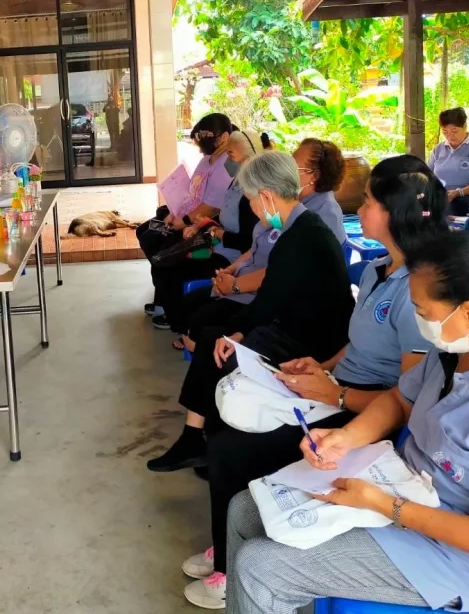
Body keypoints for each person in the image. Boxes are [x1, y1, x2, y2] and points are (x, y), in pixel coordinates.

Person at [224, 232, 469, 614]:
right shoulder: (455, 352)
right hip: (397, 489)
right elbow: (400, 399)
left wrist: (387, 506)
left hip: (452, 554)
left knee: (261, 568)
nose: (419, 322)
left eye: (423, 312)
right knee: (244, 510)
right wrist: (346, 437)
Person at [179, 155, 446, 609]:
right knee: (225, 419)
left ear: (395, 213)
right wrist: (321, 366)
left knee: (230, 449)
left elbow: (406, 399)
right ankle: (230, 541)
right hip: (335, 387)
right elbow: (355, 342)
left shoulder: (418, 293)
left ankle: (230, 565)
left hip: (361, 411)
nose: (359, 209)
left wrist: (336, 394)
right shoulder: (379, 270)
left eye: (368, 202)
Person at [146, 150, 354, 475]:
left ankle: (205, 443)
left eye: (252, 201)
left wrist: (236, 334)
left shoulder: (303, 237)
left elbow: (269, 302)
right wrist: (236, 332)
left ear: (267, 196)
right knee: (215, 341)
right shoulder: (300, 228)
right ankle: (197, 441)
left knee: (219, 348)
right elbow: (273, 297)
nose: (253, 209)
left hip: (312, 342)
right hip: (294, 324)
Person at [169, 139, 347, 347]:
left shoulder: (315, 220)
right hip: (251, 284)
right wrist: (232, 270)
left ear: (313, 175)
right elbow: (256, 246)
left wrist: (234, 286)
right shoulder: (283, 209)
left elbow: (277, 281)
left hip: (270, 299)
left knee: (203, 333)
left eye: (294, 165)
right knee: (188, 311)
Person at [150, 129, 264, 333]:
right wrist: (199, 225)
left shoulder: (252, 195)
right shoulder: (236, 181)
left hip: (231, 258)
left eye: (231, 154)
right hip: (216, 244)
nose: (227, 160)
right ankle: (171, 312)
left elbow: (246, 242)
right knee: (164, 258)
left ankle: (177, 322)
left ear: (247, 156)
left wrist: (216, 232)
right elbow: (225, 214)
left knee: (172, 269)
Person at [140, 113, 235, 317]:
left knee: (163, 248)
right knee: (145, 232)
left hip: (200, 225)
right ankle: (163, 295)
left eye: (207, 135)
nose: (202, 140)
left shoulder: (227, 166)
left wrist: (182, 222)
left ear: (225, 136)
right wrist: (173, 212)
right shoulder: (207, 160)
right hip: (185, 216)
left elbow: (211, 208)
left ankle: (166, 306)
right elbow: (192, 192)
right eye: (200, 135)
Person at [427, 108, 469, 216]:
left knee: (443, 212)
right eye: (445, 132)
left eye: (454, 131)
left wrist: (458, 192)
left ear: (465, 126)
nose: (450, 136)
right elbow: (427, 174)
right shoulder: (439, 149)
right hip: (442, 196)